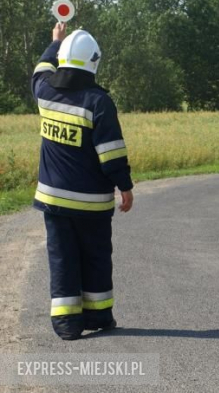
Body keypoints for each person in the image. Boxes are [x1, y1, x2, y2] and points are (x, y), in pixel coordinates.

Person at [31, 23, 134, 340]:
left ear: (62, 59)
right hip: (92, 204)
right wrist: (125, 186)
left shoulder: (45, 92)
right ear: (94, 61)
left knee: (63, 259)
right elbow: (111, 153)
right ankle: (99, 315)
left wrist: (55, 42)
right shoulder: (97, 101)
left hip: (54, 202)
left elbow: (40, 70)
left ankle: (66, 324)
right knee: (96, 257)